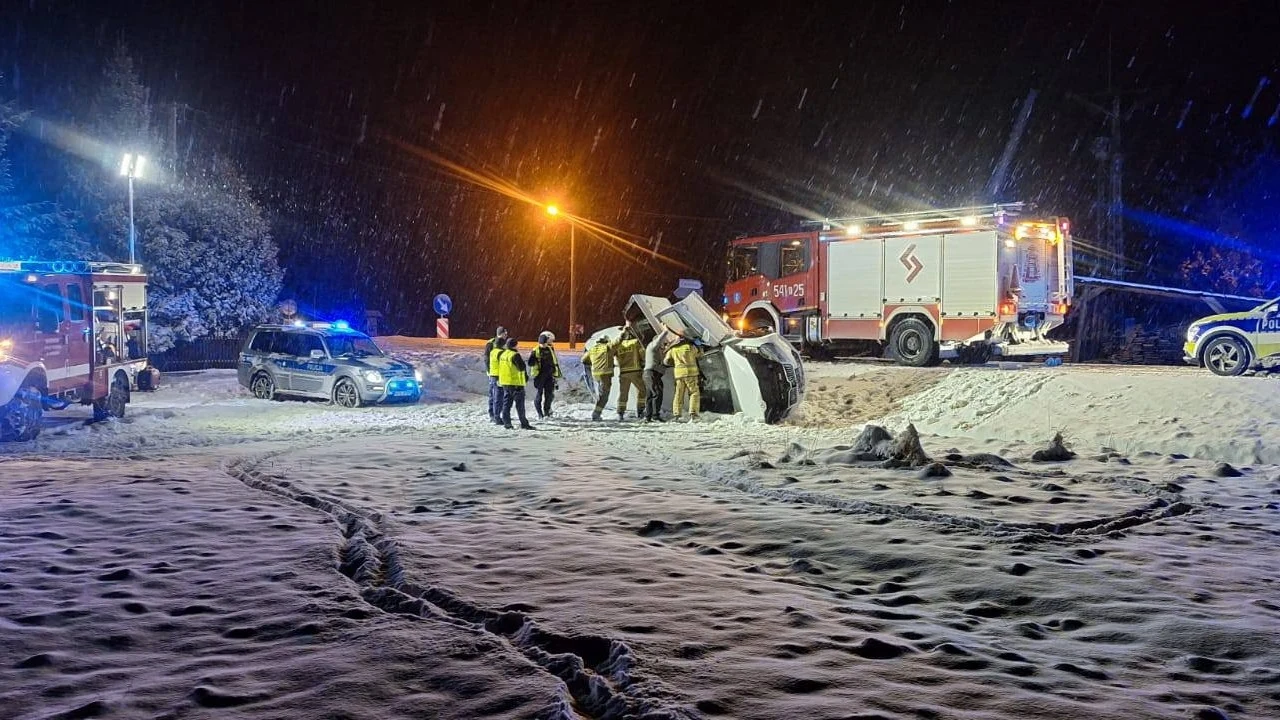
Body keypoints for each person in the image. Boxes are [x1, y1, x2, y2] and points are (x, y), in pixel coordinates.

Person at [663, 331, 703, 422]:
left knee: (678, 394)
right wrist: (699, 346)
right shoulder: (690, 347)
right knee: (694, 393)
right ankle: (693, 414)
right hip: (691, 373)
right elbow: (700, 355)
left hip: (679, 374)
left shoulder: (672, 349)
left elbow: (666, 361)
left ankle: (677, 414)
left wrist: (675, 363)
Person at [498, 337, 534, 430]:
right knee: (520, 406)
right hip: (516, 383)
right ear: (515, 345)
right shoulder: (515, 355)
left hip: (506, 382)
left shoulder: (503, 354)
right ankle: (524, 424)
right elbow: (521, 367)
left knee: (506, 404)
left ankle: (507, 423)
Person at [612, 322, 646, 421]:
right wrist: (643, 364)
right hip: (635, 371)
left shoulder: (618, 345)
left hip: (623, 372)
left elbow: (612, 353)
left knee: (623, 393)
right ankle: (640, 410)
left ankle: (620, 412)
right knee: (642, 390)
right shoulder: (636, 343)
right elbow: (642, 355)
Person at [643, 323, 675, 422]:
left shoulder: (656, 351)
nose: (664, 345)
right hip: (651, 373)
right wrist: (665, 331)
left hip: (650, 374)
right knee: (657, 393)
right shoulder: (652, 346)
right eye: (663, 343)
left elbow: (665, 351)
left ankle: (648, 417)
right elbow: (659, 341)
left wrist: (673, 343)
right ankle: (655, 416)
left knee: (650, 395)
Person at [528, 331, 561, 419]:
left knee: (549, 395)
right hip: (539, 376)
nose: (545, 345)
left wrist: (555, 373)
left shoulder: (550, 349)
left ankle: (547, 411)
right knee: (539, 394)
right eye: (543, 344)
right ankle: (540, 414)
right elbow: (530, 363)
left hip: (549, 375)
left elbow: (553, 361)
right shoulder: (535, 351)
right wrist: (535, 359)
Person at [584, 335, 616, 421]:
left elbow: (583, 360)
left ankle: (597, 412)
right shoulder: (607, 347)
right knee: (604, 396)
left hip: (596, 375)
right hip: (605, 374)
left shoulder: (593, 349)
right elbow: (617, 342)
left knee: (601, 394)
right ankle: (596, 414)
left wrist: (594, 363)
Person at [484, 326, 509, 424]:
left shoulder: (505, 343)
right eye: (505, 333)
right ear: (501, 333)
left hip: (501, 373)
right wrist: (488, 371)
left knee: (499, 395)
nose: (506, 335)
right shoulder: (491, 343)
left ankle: (497, 413)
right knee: (494, 394)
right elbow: (486, 357)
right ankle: (493, 414)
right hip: (494, 373)